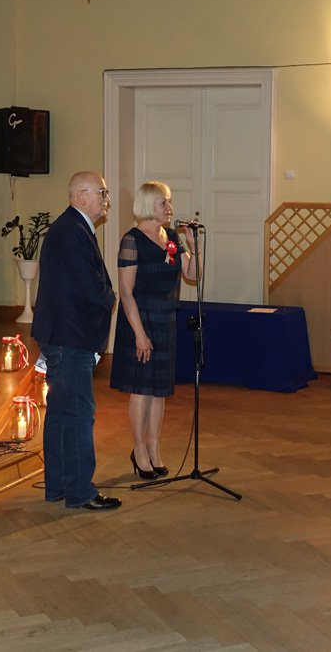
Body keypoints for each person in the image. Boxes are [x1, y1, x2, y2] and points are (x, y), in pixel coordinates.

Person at [30, 171, 121, 511]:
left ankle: (58, 486)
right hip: (71, 337)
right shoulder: (72, 231)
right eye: (102, 192)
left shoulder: (72, 227)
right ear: (82, 195)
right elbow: (91, 286)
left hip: (65, 335)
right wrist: (109, 297)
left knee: (60, 412)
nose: (106, 199)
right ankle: (80, 491)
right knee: (79, 414)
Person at [110, 181, 196, 479]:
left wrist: (194, 248)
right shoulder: (132, 240)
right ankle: (139, 450)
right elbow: (126, 292)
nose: (170, 207)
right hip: (140, 319)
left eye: (169, 201)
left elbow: (192, 275)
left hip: (165, 319)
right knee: (141, 391)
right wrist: (140, 334)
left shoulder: (171, 238)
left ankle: (155, 448)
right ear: (148, 205)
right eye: (163, 202)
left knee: (159, 391)